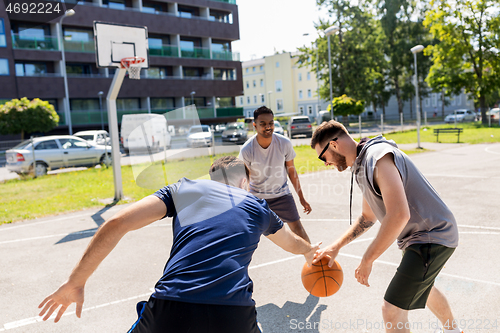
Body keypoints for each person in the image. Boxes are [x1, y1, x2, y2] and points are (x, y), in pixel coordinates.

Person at [39, 156, 319, 333]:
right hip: (233, 312)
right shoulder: (255, 204)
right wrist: (309, 252)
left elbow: (117, 222)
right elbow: (290, 243)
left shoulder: (184, 189)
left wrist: (76, 281)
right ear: (244, 182)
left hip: (173, 308)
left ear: (212, 178)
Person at [310, 120, 462, 333]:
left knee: (391, 310)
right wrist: (336, 247)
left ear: (333, 145)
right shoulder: (362, 166)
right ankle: (454, 331)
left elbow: (399, 214)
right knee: (424, 289)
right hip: (420, 238)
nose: (325, 163)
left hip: (431, 235)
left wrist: (367, 259)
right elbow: (367, 217)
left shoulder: (377, 157)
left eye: (322, 156)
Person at [239, 106, 312, 242]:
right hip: (258, 198)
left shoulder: (284, 143)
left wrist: (301, 198)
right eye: (263, 124)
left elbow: (292, 171)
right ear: (254, 125)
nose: (268, 127)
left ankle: (313, 260)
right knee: (247, 236)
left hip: (282, 195)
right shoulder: (247, 150)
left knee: (298, 229)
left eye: (271, 123)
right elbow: (243, 180)